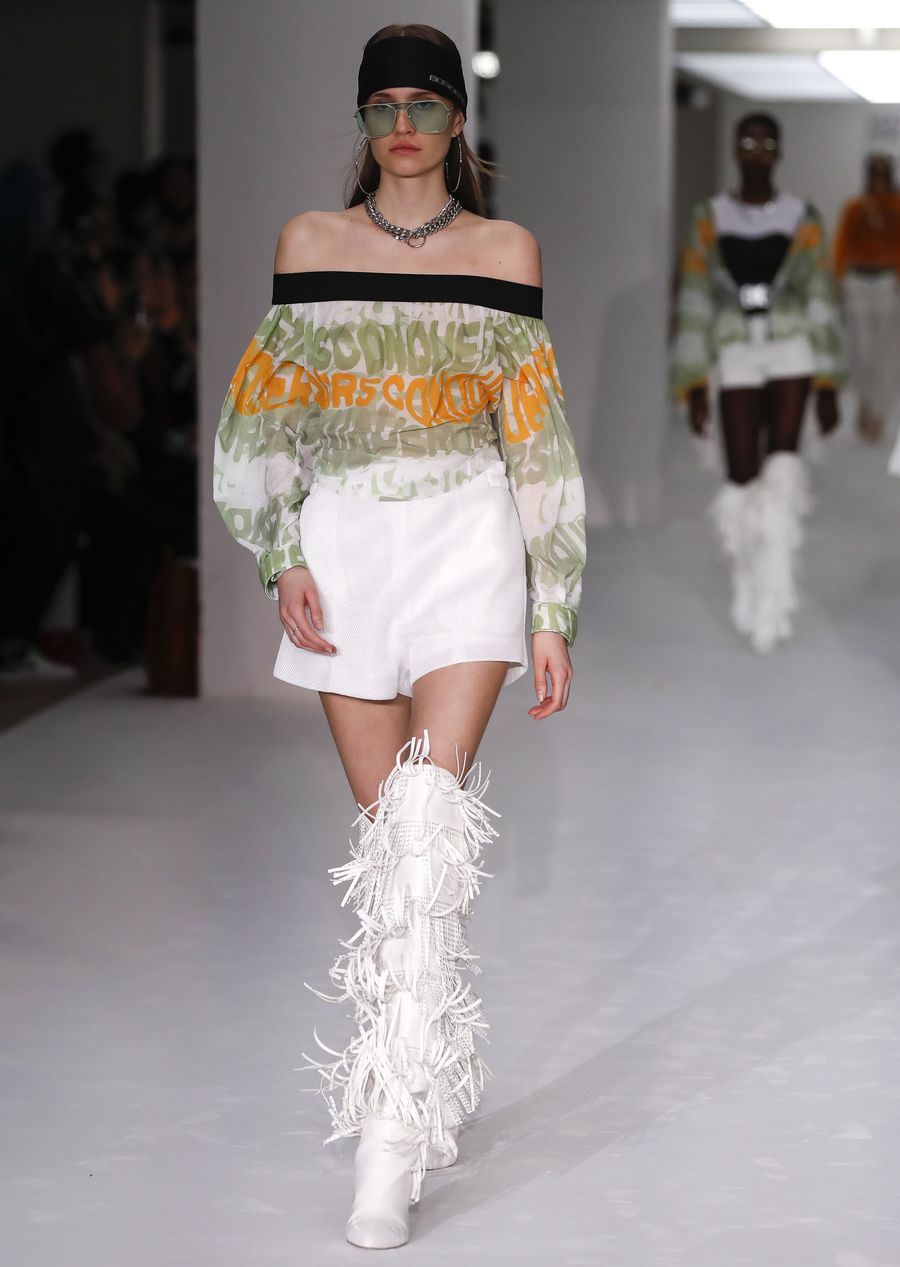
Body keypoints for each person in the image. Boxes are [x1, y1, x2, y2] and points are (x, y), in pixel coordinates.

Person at [213, 23, 586, 1250]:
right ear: (364, 121)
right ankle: (422, 1071)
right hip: (348, 546)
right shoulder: (309, 245)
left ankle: (387, 1137)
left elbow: (534, 431)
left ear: (458, 120)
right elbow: (265, 413)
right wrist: (281, 550)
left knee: (426, 831)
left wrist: (550, 602)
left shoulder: (505, 252)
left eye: (427, 104)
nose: (406, 125)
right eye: (385, 106)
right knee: (390, 848)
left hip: (469, 534)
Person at [672, 112, 842, 654]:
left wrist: (828, 381)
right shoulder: (709, 217)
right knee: (742, 473)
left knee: (784, 470)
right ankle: (748, 581)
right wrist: (692, 382)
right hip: (734, 347)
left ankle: (775, 598)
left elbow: (820, 296)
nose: (757, 149)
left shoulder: (802, 217)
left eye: (767, 141)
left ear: (780, 150)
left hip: (792, 346)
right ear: (735, 148)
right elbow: (695, 297)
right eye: (748, 140)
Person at [833, 152, 900, 444]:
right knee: (861, 350)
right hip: (858, 282)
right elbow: (842, 244)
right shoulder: (855, 207)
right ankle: (864, 402)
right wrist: (838, 279)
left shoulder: (897, 207)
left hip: (887, 283)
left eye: (884, 173)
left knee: (885, 353)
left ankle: (878, 412)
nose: (879, 179)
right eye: (875, 173)